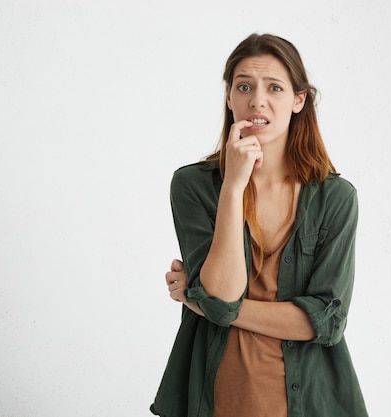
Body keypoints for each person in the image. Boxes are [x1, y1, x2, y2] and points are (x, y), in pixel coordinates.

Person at [150, 33, 368, 417]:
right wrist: (233, 188)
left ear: (299, 100)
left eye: (275, 87)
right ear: (229, 97)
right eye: (244, 86)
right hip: (217, 400)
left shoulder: (335, 198)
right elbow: (220, 291)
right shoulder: (194, 186)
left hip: (309, 404)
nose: (257, 100)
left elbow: (326, 320)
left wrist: (203, 304)